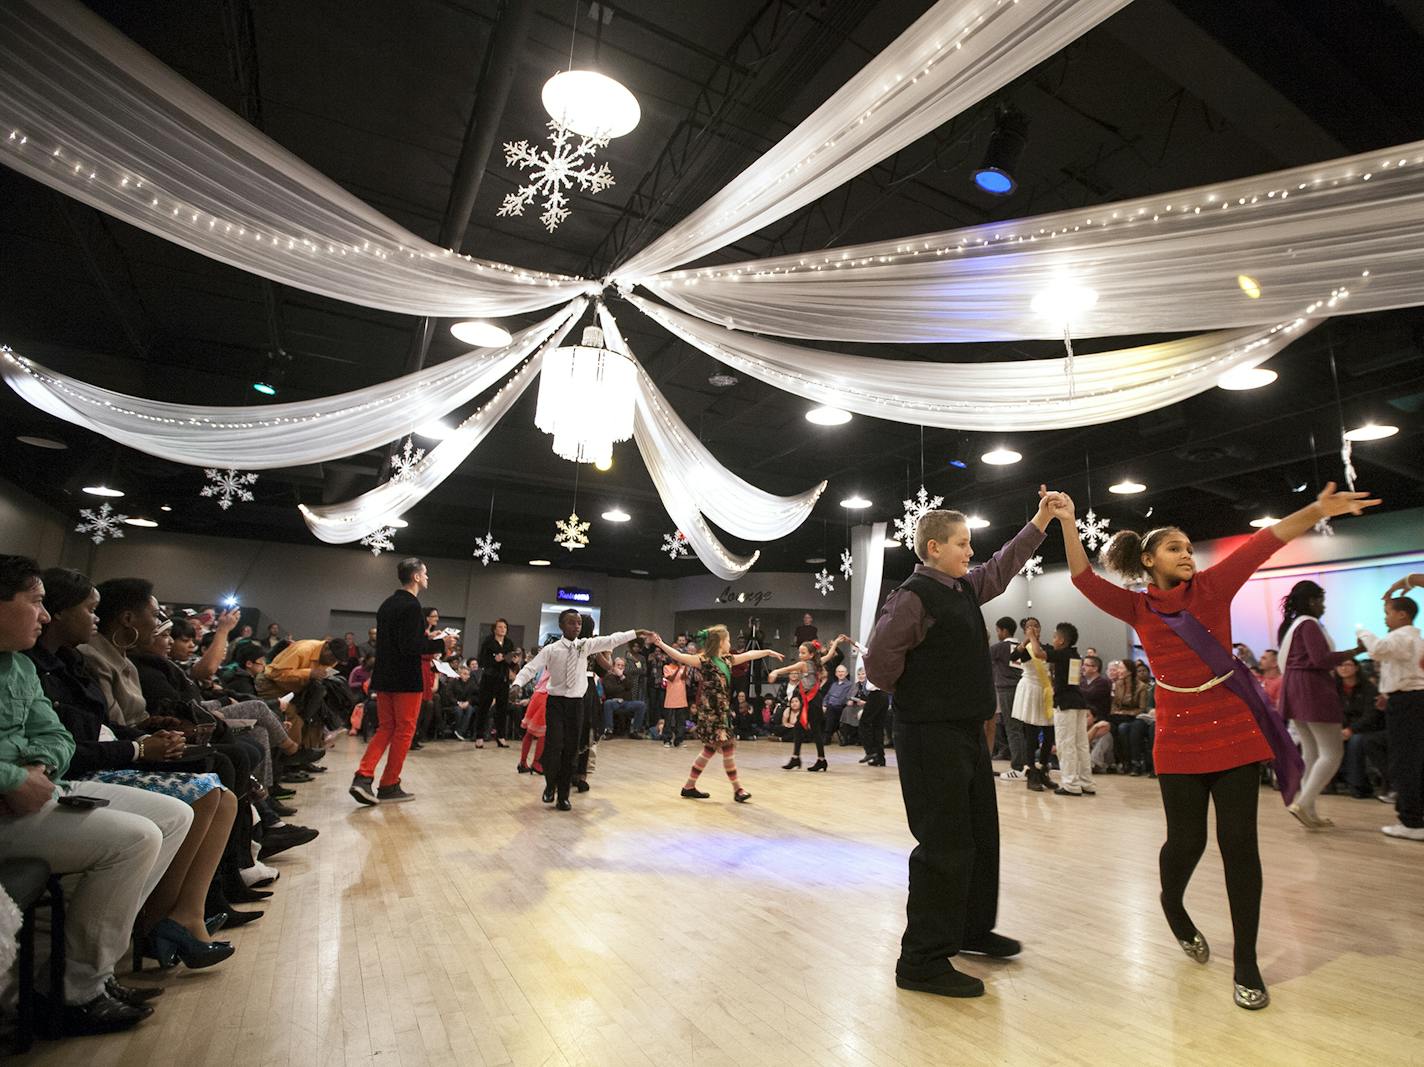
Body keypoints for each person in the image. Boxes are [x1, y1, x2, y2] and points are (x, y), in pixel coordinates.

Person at [1054, 480, 1379, 1009]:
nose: (1186, 554)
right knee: (1187, 844)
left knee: (1239, 847)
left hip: (1233, 732)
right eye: (1175, 548)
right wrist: (1068, 522)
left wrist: (1317, 509)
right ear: (1149, 559)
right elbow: (1082, 576)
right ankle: (1172, 904)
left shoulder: (1212, 588)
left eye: (1188, 547)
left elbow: (1266, 540)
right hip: (1177, 738)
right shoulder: (1137, 609)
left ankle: (1247, 962)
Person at [865, 489, 1063, 999]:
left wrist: (1041, 517)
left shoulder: (961, 589)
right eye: (962, 544)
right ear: (934, 548)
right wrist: (926, 692)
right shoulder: (913, 596)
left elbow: (1002, 565)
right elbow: (880, 666)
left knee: (979, 836)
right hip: (929, 735)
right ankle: (922, 961)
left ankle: (969, 932)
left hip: (964, 733)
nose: (970, 552)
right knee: (944, 844)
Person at [0, 555, 194, 1033]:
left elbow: (58, 736)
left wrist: (37, 766)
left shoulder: (19, 667)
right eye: (36, 603)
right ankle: (76, 990)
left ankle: (72, 969)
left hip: (43, 785)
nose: (43, 617)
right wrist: (11, 778)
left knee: (173, 817)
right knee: (136, 839)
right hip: (10, 802)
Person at [510, 611, 649, 810]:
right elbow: (531, 668)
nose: (576, 626)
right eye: (571, 623)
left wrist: (636, 633)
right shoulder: (552, 649)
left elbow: (611, 639)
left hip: (576, 704)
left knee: (571, 750)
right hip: (556, 703)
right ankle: (550, 786)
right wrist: (516, 684)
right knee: (554, 746)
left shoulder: (585, 645)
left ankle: (563, 796)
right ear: (561, 626)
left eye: (578, 623)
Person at [350, 558, 449, 805]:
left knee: (386, 728)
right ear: (416, 577)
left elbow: (397, 642)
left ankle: (363, 776)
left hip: (384, 677)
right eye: (425, 573)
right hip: (406, 679)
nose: (427, 577)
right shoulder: (413, 606)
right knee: (404, 730)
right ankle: (389, 784)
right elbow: (410, 646)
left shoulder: (387, 604)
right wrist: (441, 644)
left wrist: (426, 637)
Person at [649, 626, 781, 802]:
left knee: (709, 750)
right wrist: (661, 644)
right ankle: (737, 789)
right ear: (720, 642)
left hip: (721, 712)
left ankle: (689, 786)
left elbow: (748, 655)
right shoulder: (705, 660)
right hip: (712, 713)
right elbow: (680, 657)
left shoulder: (727, 659)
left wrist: (768, 652)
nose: (730, 643)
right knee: (727, 748)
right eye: (728, 640)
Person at [1277, 580, 1365, 830]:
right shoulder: (1310, 624)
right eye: (1322, 601)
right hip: (1312, 688)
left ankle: (1310, 812)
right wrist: (1355, 651)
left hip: (1295, 688)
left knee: (1312, 753)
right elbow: (1321, 659)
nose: (1324, 606)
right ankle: (1304, 804)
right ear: (1314, 601)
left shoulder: (1293, 625)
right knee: (1332, 753)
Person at [1357, 593, 1424, 840]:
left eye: (1388, 612)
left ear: (1402, 614)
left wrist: (1362, 631)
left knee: (1404, 761)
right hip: (1414, 699)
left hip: (1406, 703)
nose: (1386, 618)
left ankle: (1411, 821)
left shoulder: (1401, 637)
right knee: (1415, 759)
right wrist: (1388, 692)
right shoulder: (1416, 639)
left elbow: (1376, 650)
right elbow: (1404, 671)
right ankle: (1416, 816)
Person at [768, 636, 850, 771]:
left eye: (803, 653)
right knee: (800, 728)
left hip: (813, 700)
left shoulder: (804, 664)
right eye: (799, 652)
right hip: (811, 699)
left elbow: (789, 668)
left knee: (815, 730)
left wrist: (776, 671)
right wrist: (835, 642)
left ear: (811, 654)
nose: (800, 655)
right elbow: (829, 655)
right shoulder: (818, 662)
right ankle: (798, 758)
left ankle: (819, 760)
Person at [1045, 622, 1093, 797]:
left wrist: (1032, 637)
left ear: (1062, 640)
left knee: (1066, 744)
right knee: (1081, 744)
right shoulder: (1074, 654)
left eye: (1055, 636)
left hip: (1065, 703)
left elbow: (1038, 653)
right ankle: (1086, 782)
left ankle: (1071, 783)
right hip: (1078, 702)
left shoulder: (1062, 655)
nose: (1053, 639)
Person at [1007, 618, 1053, 789]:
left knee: (1049, 734)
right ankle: (1031, 773)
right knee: (1031, 733)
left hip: (1046, 691)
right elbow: (1013, 657)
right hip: (1030, 689)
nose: (1033, 628)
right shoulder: (1024, 648)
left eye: (1036, 625)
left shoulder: (1047, 648)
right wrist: (1027, 639)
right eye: (1029, 626)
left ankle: (1043, 769)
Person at [1336, 659, 1385, 799]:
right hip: (1343, 727)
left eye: (1347, 665)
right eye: (1340, 665)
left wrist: (1351, 729)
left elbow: (1371, 715)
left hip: (1367, 728)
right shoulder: (1334, 688)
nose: (1343, 668)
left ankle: (1358, 785)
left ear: (1356, 668)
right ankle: (1330, 782)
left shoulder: (1368, 688)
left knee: (1356, 741)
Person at [473, 619, 514, 748]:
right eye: (500, 627)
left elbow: (510, 660)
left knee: (502, 708)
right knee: (484, 707)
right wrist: (494, 659)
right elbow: (482, 660)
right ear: (494, 629)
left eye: (505, 627)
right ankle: (479, 736)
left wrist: (513, 660)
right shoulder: (488, 641)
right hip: (489, 678)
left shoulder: (508, 642)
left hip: (503, 679)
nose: (502, 629)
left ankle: (501, 736)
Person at [988, 617, 1018, 760]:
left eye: (998, 631)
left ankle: (1017, 764)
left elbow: (984, 656)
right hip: (1020, 688)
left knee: (1011, 727)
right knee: (1018, 727)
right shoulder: (1020, 645)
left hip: (1005, 689)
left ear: (1004, 631)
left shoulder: (1000, 647)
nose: (997, 634)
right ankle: (1019, 758)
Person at [601, 656, 647, 738]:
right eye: (618, 665)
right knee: (607, 703)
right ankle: (609, 730)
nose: (620, 667)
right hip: (613, 702)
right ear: (614, 666)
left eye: (622, 665)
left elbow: (629, 686)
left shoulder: (626, 676)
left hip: (627, 702)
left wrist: (622, 677)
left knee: (641, 705)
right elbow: (610, 690)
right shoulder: (608, 677)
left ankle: (634, 730)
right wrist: (623, 688)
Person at [823, 663, 855, 745]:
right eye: (839, 672)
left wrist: (830, 705)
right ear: (836, 674)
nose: (840, 673)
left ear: (846, 673)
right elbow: (827, 696)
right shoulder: (833, 684)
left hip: (840, 707)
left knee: (831, 710)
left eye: (842, 672)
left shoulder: (850, 685)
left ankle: (827, 736)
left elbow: (847, 698)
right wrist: (824, 704)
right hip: (830, 707)